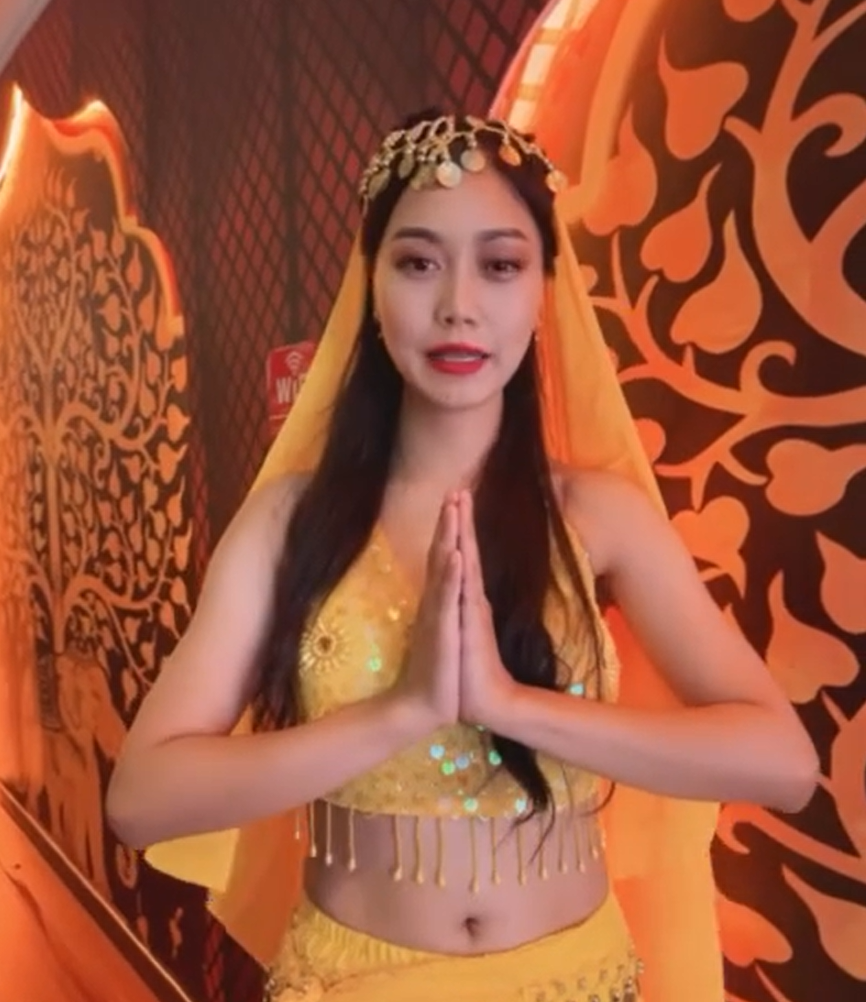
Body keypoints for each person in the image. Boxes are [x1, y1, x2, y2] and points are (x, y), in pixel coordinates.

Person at [106, 111, 818, 1002]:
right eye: (417, 263)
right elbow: (142, 799)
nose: (458, 305)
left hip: (576, 980)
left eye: (501, 264)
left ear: (543, 287)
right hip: (355, 983)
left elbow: (782, 764)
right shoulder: (292, 523)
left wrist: (512, 706)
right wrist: (403, 712)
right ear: (371, 284)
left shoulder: (596, 516)